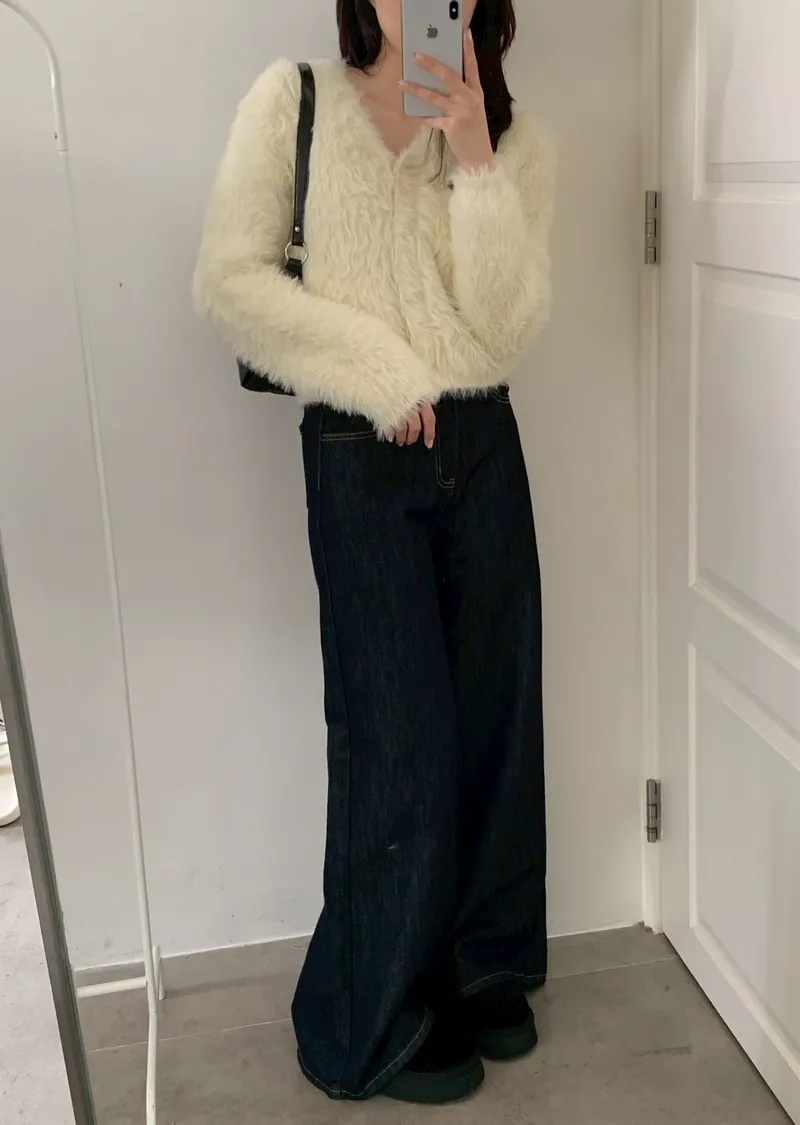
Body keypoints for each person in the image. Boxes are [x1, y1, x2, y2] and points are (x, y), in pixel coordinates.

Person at [194, 0, 556, 1106]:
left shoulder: (514, 134)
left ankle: (482, 963)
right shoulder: (294, 101)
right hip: (362, 449)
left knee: (498, 720)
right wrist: (377, 375)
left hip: (482, 444)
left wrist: (477, 158)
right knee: (396, 738)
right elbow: (231, 281)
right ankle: (371, 1012)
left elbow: (505, 326)